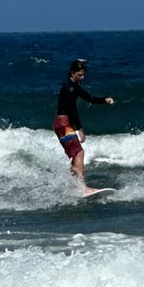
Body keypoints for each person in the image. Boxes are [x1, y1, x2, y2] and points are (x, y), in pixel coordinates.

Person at [53, 59, 114, 192]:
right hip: (64, 123)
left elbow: (90, 98)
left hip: (60, 124)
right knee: (79, 152)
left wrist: (105, 100)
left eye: (83, 75)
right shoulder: (70, 88)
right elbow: (71, 109)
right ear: (72, 73)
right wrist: (79, 128)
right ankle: (82, 187)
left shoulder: (73, 87)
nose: (82, 78)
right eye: (79, 75)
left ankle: (73, 185)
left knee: (75, 155)